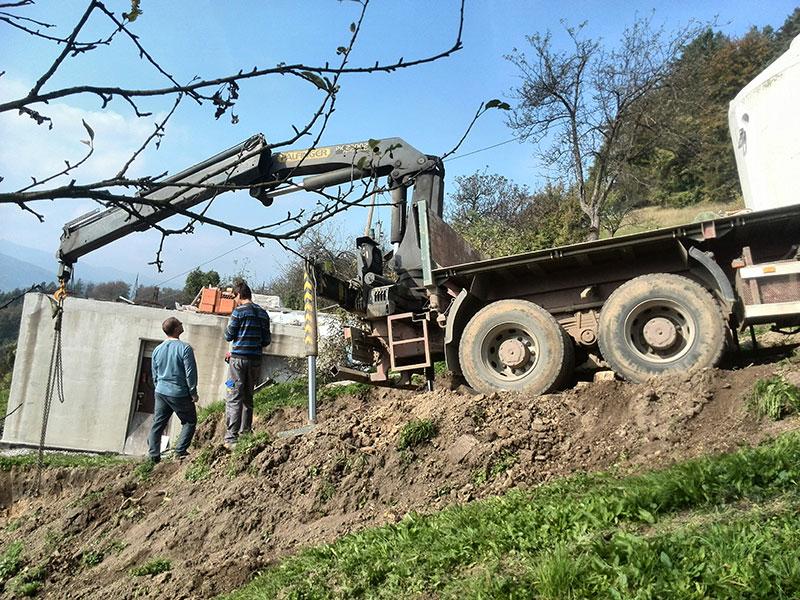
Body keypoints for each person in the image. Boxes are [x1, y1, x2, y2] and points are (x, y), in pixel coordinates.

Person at [223, 281, 271, 448]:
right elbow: (266, 341)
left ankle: (230, 438)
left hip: (237, 361)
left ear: (239, 295)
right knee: (248, 396)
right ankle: (245, 432)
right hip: (255, 360)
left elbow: (229, 336)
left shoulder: (238, 312)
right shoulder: (263, 313)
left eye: (234, 297)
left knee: (233, 396)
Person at [147, 316, 198, 462]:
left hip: (161, 391)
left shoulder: (158, 349)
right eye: (180, 324)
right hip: (179, 392)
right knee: (189, 421)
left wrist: (159, 387)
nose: (182, 325)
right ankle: (180, 451)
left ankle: (153, 455)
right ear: (176, 329)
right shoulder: (185, 348)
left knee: (158, 423)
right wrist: (193, 392)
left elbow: (154, 372)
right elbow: (190, 373)